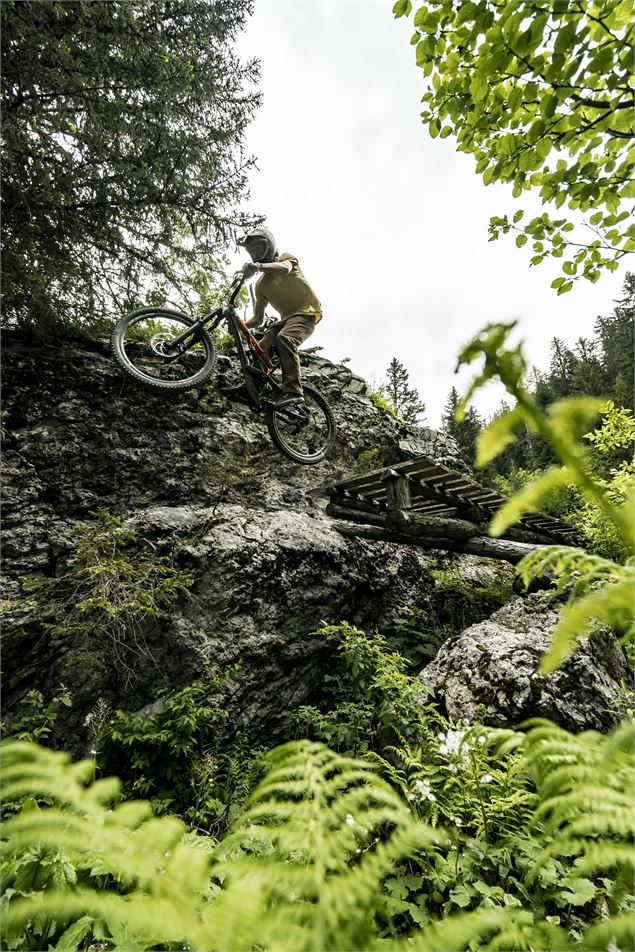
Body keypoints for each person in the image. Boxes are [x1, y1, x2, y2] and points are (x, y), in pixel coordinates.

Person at [237, 227, 322, 406]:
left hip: (305, 314)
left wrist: (258, 267)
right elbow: (257, 319)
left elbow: (284, 269)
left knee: (285, 338)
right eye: (251, 251)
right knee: (259, 348)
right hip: (284, 320)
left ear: (269, 246)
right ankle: (255, 387)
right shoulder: (261, 286)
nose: (255, 253)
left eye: (258, 248)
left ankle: (293, 390)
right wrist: (239, 324)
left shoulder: (286, 259)